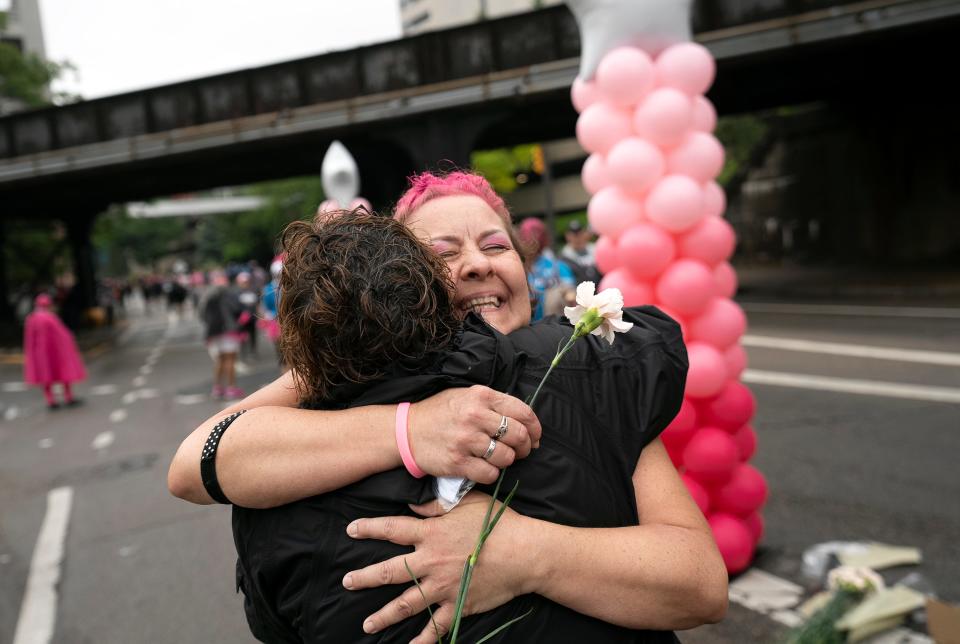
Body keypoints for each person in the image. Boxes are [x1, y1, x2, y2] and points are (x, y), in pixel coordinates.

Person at [169, 171, 727, 643]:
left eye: (495, 246)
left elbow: (700, 585)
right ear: (399, 286)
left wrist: (525, 552)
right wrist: (409, 428)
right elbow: (195, 462)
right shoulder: (347, 385)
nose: (479, 265)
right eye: (443, 254)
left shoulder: (588, 378)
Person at [23, 293, 87, 409]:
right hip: (56, 352)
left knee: (45, 375)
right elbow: (64, 335)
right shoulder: (50, 317)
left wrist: (31, 353)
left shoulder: (32, 318)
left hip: (40, 353)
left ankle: (51, 400)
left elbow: (29, 339)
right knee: (64, 373)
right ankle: (68, 397)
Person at [517, 217, 577, 321]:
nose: (531, 244)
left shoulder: (558, 267)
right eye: (528, 239)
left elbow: (572, 296)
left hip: (552, 327)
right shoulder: (515, 268)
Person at [201, 271, 246, 400]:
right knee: (230, 360)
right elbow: (239, 310)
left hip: (213, 332)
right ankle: (231, 388)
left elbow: (202, 314)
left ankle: (217, 388)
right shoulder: (231, 294)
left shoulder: (208, 295)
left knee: (219, 360)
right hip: (230, 331)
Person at [560, 219, 603, 284]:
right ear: (567, 236)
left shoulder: (595, 249)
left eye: (580, 234)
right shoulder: (564, 256)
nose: (578, 238)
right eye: (574, 235)